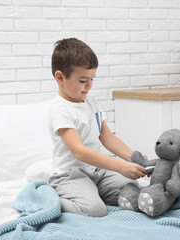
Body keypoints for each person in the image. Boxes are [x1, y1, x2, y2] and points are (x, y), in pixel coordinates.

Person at [48, 38, 146, 217]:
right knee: (95, 210)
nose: (89, 85)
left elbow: (107, 137)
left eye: (92, 79)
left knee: (133, 189)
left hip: (96, 172)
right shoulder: (60, 110)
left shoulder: (91, 101)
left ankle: (92, 192)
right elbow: (79, 151)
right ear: (60, 77)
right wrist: (120, 166)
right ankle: (49, 199)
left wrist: (132, 157)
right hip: (70, 176)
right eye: (83, 80)